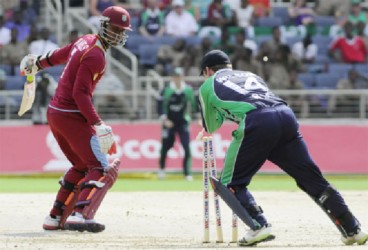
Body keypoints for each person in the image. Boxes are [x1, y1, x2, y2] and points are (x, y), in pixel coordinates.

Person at [197, 49, 368, 246]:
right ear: (229, 67)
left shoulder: (207, 86)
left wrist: (206, 129)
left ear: (208, 70)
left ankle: (258, 226)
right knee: (312, 180)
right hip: (285, 115)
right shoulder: (250, 75)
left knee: (230, 183)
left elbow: (211, 125)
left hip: (257, 121)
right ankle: (353, 229)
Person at [20, 6, 132, 232]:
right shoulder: (96, 55)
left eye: (121, 31)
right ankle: (80, 215)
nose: (117, 34)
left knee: (81, 165)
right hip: (70, 115)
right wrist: (98, 123)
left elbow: (61, 54)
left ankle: (55, 216)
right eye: (114, 28)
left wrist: (38, 62)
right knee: (100, 167)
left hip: (55, 113)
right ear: (103, 25)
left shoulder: (86, 40)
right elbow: (79, 94)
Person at [157, 67, 197, 181]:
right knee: (166, 147)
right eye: (175, 76)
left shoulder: (188, 89)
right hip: (169, 123)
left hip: (183, 122)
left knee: (186, 147)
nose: (177, 79)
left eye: (179, 76)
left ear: (182, 77)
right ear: (172, 78)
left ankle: (187, 173)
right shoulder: (166, 90)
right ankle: (161, 169)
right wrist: (165, 119)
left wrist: (199, 117)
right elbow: (160, 106)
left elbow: (195, 105)